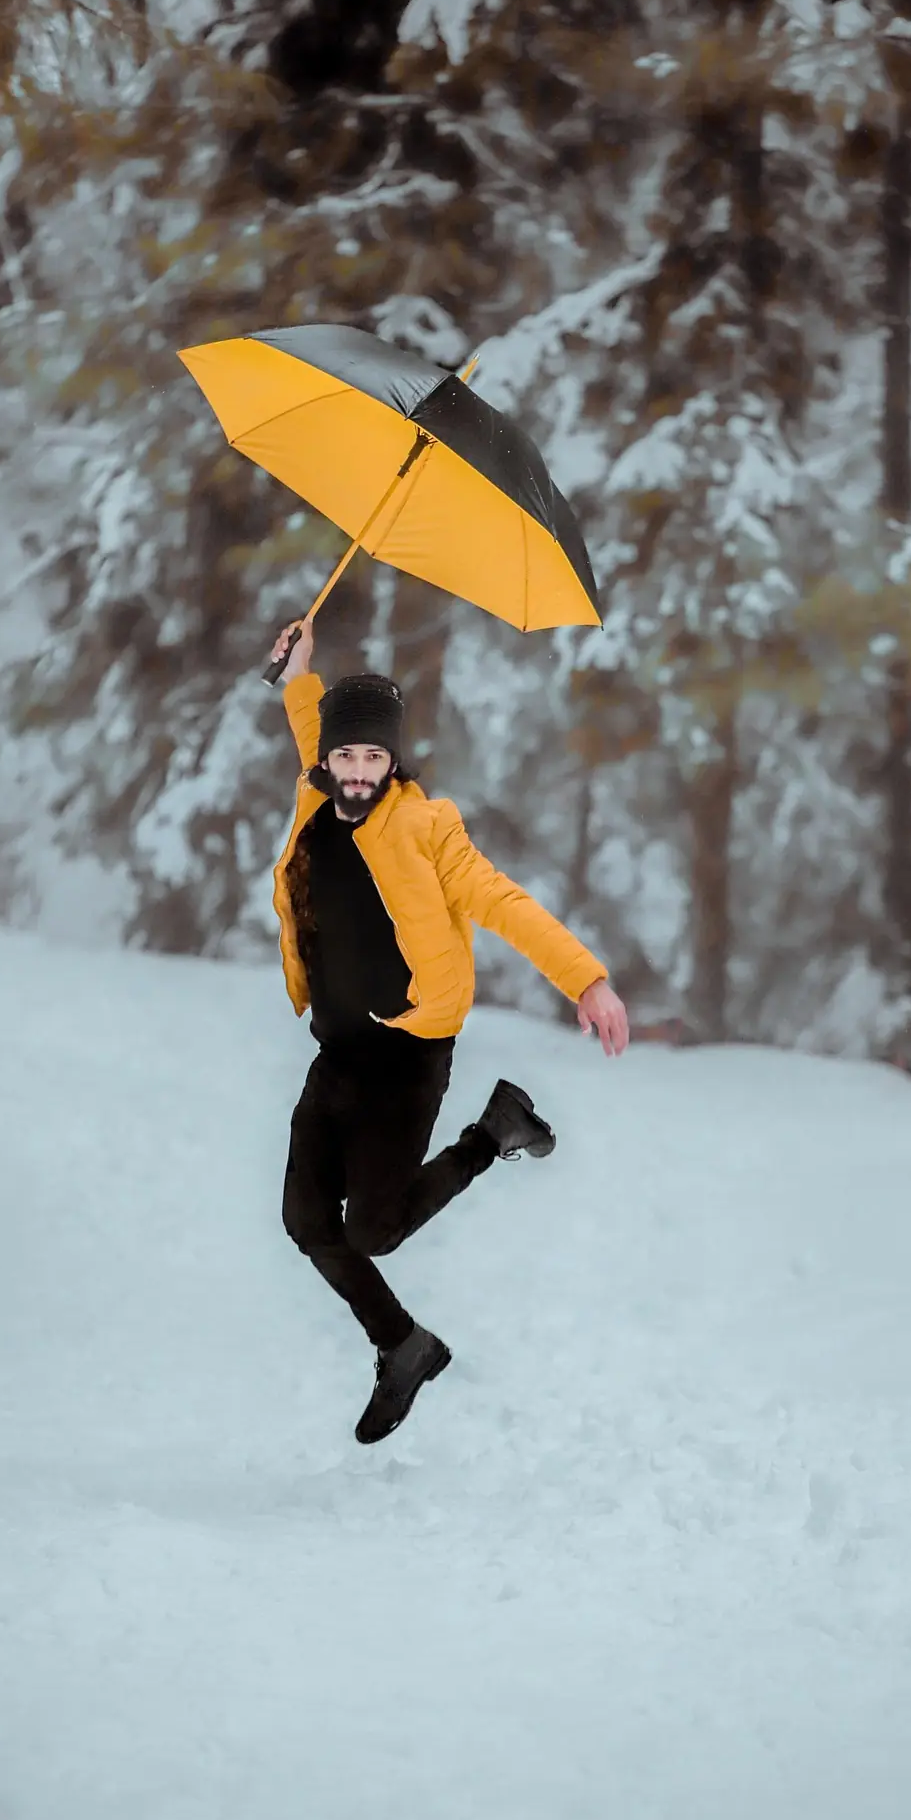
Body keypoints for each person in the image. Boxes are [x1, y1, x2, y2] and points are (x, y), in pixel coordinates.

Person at [268, 615, 629, 1445]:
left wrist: (587, 977)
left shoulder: (427, 829)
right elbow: (305, 722)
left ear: (395, 762)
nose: (358, 773)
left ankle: (493, 1134)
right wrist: (300, 675)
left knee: (373, 1230)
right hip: (338, 1054)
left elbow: (504, 903)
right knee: (305, 1221)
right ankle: (404, 1346)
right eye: (345, 756)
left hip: (405, 1059)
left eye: (374, 757)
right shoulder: (314, 802)